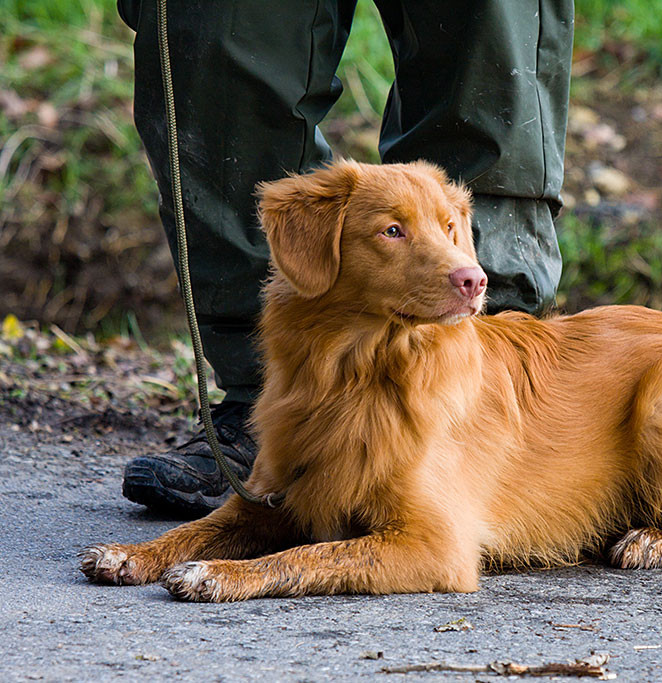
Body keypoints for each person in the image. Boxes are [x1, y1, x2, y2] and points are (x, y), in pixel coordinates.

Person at [116, 0, 574, 517]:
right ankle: (264, 406)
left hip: (480, 376)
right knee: (228, 40)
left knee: (485, 49)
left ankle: (485, 413)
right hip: (294, 332)